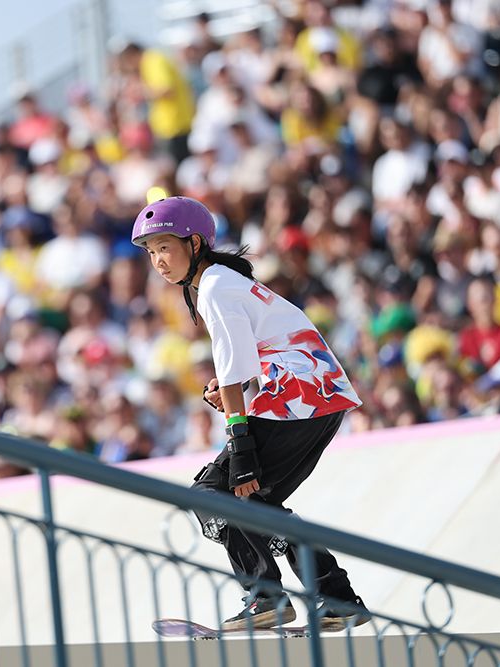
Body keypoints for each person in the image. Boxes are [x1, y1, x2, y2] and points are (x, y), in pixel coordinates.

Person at [131, 195, 367, 632]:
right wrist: (232, 390)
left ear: (194, 244)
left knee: (211, 493)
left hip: (301, 397)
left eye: (164, 247)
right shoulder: (223, 281)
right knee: (257, 503)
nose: (158, 261)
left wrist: (239, 441)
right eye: (151, 252)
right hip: (317, 397)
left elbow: (233, 367)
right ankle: (337, 599)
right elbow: (251, 356)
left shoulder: (215, 287)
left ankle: (267, 598)